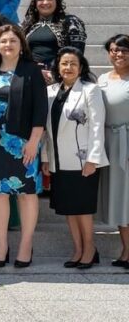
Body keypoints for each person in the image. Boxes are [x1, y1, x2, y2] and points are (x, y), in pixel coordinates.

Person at [0, 24, 47, 269]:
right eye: (3, 41)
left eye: (12, 41)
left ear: (21, 45)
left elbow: (40, 110)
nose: (7, 45)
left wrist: (33, 142)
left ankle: (25, 245)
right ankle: (1, 246)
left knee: (26, 194)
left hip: (24, 142)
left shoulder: (31, 71)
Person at [42, 47, 108, 269]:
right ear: (57, 67)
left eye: (72, 64)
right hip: (58, 160)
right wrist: (45, 158)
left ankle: (90, 248)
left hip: (83, 160)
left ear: (81, 68)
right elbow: (45, 130)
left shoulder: (90, 90)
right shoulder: (51, 91)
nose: (67, 67)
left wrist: (93, 158)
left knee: (83, 208)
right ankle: (78, 248)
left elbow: (98, 127)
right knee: (69, 208)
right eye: (63, 63)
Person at [98, 34, 129, 267]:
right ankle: (126, 251)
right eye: (114, 50)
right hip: (111, 142)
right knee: (120, 199)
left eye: (124, 50)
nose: (119, 54)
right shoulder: (102, 79)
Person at [21, 0, 88, 79]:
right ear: (35, 3)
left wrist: (55, 73)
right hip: (31, 75)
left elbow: (77, 54)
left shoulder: (71, 22)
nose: (45, 2)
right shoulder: (27, 25)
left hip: (60, 76)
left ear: (57, 1)